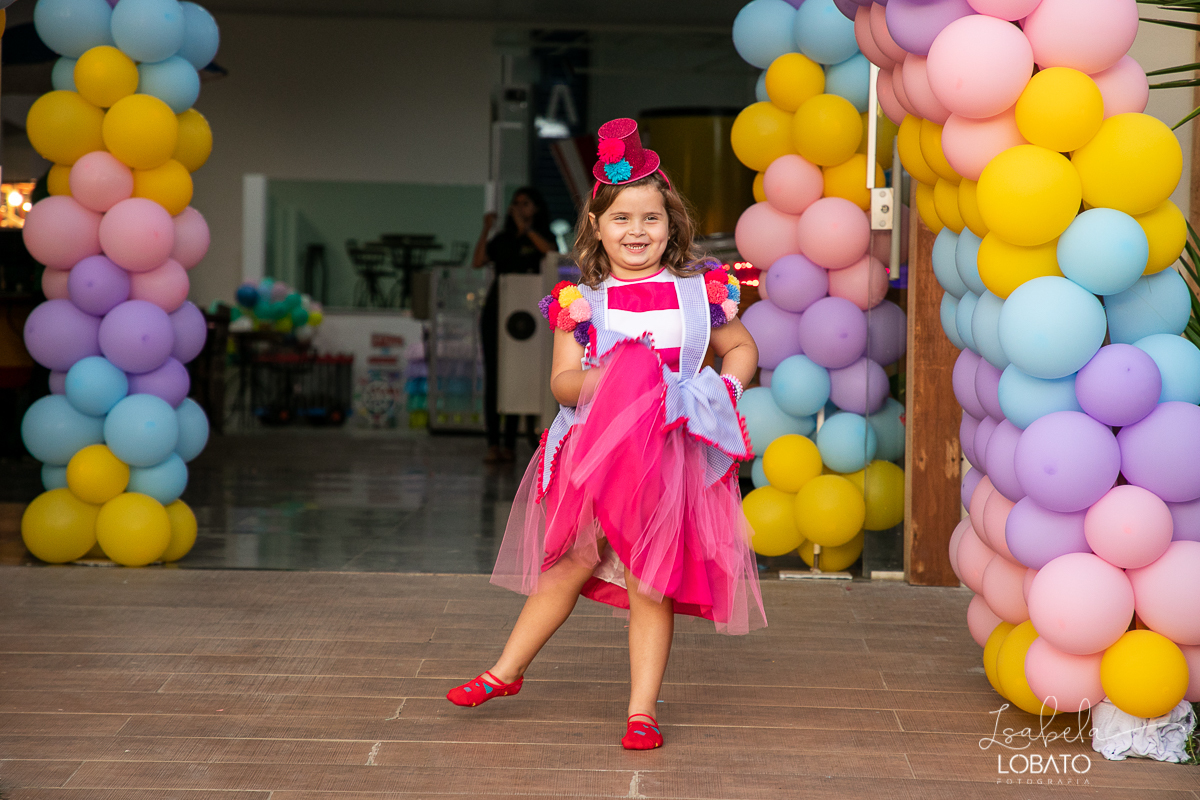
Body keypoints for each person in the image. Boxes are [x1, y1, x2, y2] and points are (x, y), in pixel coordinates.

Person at [447, 119, 765, 750]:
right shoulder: (584, 302)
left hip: (669, 460)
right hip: (599, 457)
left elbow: (741, 348)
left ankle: (642, 711)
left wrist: (722, 390)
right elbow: (563, 383)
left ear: (671, 225)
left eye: (650, 218)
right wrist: (616, 379)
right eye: (621, 219)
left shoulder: (698, 292)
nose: (636, 231)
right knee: (569, 563)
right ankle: (505, 671)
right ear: (596, 226)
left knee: (650, 581)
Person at [472, 187, 556, 464]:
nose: (520, 208)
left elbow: (551, 253)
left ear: (536, 208)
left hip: (528, 315)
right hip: (498, 310)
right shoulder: (502, 239)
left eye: (526, 203)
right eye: (516, 203)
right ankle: (493, 443)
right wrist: (487, 229)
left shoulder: (542, 236)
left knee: (519, 372)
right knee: (495, 376)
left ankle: (510, 443)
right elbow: (478, 261)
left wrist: (527, 230)